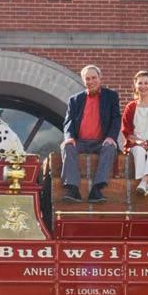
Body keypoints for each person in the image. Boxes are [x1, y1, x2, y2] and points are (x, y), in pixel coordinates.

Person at [60, 65, 120, 203]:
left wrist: (111, 137)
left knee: (110, 148)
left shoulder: (111, 96)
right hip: (80, 142)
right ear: (83, 81)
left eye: (94, 78)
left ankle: (97, 190)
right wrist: (69, 137)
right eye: (87, 79)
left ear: (100, 78)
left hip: (101, 142)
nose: (91, 81)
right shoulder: (75, 100)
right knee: (67, 147)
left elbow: (116, 118)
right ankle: (73, 190)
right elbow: (68, 122)